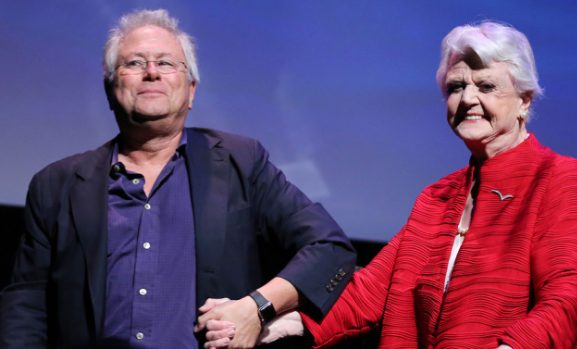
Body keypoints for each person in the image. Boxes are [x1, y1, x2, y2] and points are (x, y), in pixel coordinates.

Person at [205, 21, 577, 349]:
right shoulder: (437, 197)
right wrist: (269, 321)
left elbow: (570, 294)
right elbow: (368, 293)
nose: (468, 99)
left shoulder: (557, 177)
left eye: (486, 86)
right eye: (456, 87)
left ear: (525, 100)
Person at [0, 9, 356, 349]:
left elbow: (329, 248)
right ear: (110, 89)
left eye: (167, 63)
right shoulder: (56, 184)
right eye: (134, 63)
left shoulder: (242, 162)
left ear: (191, 91)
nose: (151, 72)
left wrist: (257, 307)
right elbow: (25, 304)